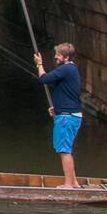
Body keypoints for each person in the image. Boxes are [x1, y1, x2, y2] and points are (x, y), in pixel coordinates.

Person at [35, 42, 82, 188]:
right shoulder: (69, 70)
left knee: (64, 150)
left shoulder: (66, 69)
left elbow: (43, 79)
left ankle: (68, 184)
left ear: (66, 57)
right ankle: (73, 182)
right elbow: (67, 92)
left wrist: (39, 64)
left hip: (67, 117)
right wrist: (57, 108)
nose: (55, 57)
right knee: (65, 148)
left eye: (58, 55)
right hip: (67, 114)